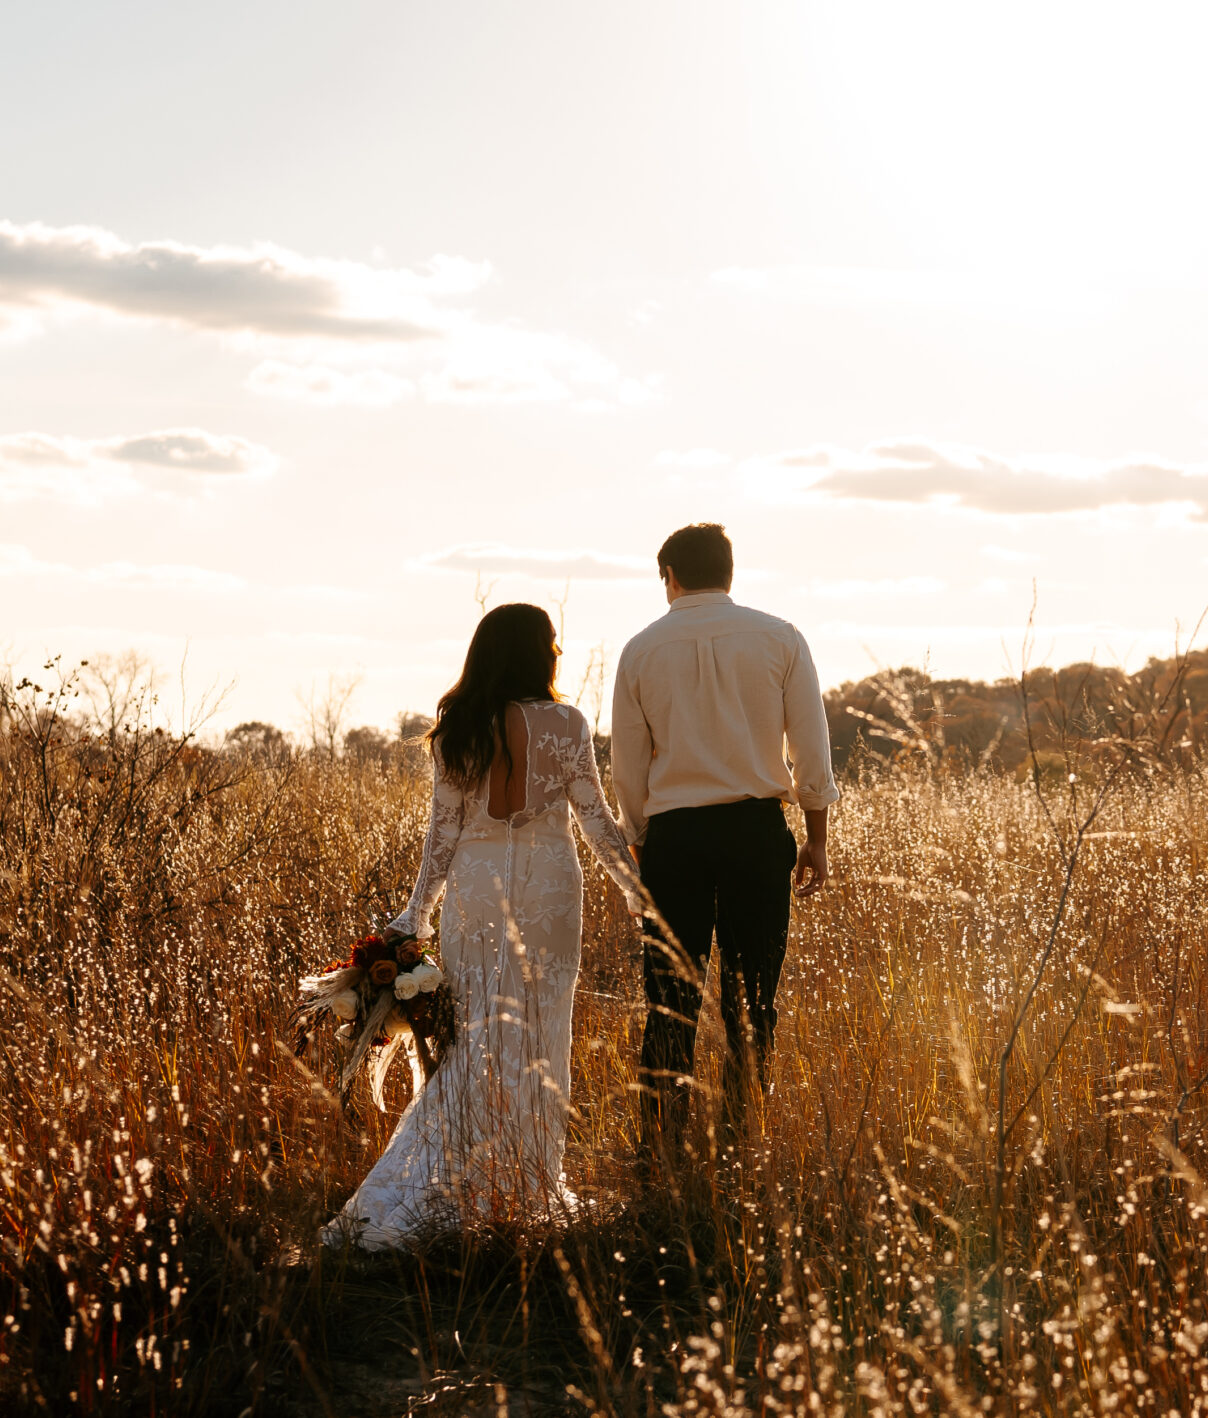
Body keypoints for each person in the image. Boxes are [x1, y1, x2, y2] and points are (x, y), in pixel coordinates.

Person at [324, 602, 645, 1248]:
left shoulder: (458, 729)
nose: (558, 652)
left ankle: (463, 1184)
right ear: (533, 651)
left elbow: (441, 838)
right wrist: (641, 894)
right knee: (538, 1034)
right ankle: (521, 1186)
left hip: (476, 890)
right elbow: (597, 822)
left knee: (473, 1040)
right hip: (552, 889)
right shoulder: (569, 724)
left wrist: (416, 914)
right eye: (551, 642)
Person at [611, 522, 838, 1161]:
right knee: (753, 993)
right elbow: (812, 751)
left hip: (673, 839)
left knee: (669, 997)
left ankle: (660, 1148)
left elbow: (628, 766)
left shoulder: (640, 650)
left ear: (670, 578)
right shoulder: (781, 637)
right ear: (729, 573)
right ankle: (742, 1141)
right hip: (754, 830)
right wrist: (815, 839)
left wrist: (640, 843)